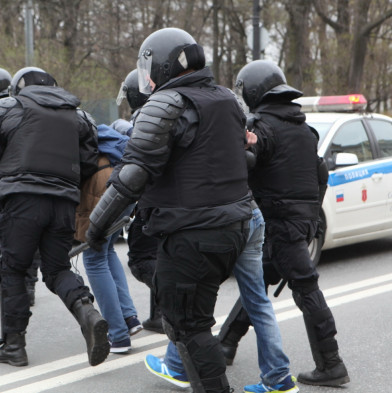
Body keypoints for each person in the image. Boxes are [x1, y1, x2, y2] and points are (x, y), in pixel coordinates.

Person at [86, 28, 253, 393]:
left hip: (192, 233)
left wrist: (95, 228)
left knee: (188, 327)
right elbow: (244, 158)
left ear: (159, 64)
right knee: (189, 323)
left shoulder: (166, 103)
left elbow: (131, 177)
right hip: (231, 227)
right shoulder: (227, 99)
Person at [217, 59, 350, 387]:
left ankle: (331, 363)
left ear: (253, 91)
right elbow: (321, 175)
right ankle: (225, 344)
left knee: (304, 288)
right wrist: (312, 219)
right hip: (298, 223)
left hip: (278, 223)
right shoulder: (303, 128)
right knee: (256, 282)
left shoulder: (261, 125)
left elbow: (247, 162)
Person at [0, 66, 108, 367]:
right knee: (57, 269)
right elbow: (89, 161)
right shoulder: (78, 116)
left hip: (23, 200)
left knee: (13, 269)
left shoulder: (9, 107)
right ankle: (87, 312)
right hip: (63, 202)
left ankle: (13, 345)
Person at [145, 206, 299, 393]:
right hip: (251, 214)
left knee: (199, 295)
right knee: (258, 301)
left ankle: (176, 366)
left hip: (220, 219)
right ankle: (279, 377)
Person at [0, 67, 40, 304]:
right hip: (30, 179)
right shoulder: (23, 105)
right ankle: (29, 284)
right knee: (27, 234)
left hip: (3, 181)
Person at [75, 122, 142, 353]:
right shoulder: (98, 129)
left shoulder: (61, 127)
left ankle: (118, 335)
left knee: (93, 258)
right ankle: (129, 318)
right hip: (124, 180)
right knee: (107, 250)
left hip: (100, 185)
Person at [114, 69, 164, 334]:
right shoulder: (168, 108)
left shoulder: (146, 117)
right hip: (169, 201)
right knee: (158, 255)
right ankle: (158, 315)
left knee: (141, 260)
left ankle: (167, 308)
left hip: (152, 201)